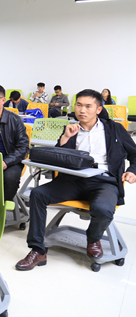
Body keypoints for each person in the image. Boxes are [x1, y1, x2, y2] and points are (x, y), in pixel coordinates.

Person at [15, 89, 136, 271]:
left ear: (98, 109)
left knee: (103, 209)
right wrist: (65, 137)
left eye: (88, 106)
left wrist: (132, 171)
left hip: (103, 181)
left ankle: (93, 238)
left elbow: (134, 154)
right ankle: (38, 250)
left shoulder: (114, 129)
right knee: (38, 194)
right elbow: (57, 157)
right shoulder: (71, 129)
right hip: (72, 181)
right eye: (79, 105)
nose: (82, 110)